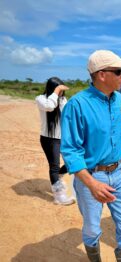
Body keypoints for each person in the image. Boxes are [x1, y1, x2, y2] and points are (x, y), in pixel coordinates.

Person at [60, 50, 121, 262]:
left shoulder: (119, 98)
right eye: (120, 71)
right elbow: (70, 151)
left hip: (119, 172)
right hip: (91, 177)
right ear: (102, 75)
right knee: (93, 229)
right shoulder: (77, 105)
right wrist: (92, 184)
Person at [35, 77, 75, 206]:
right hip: (49, 139)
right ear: (53, 89)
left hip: (64, 137)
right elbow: (50, 106)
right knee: (54, 166)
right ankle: (59, 196)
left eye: (62, 89)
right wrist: (57, 91)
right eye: (59, 89)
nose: (61, 92)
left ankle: (58, 176)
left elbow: (69, 117)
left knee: (72, 161)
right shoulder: (41, 99)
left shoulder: (63, 100)